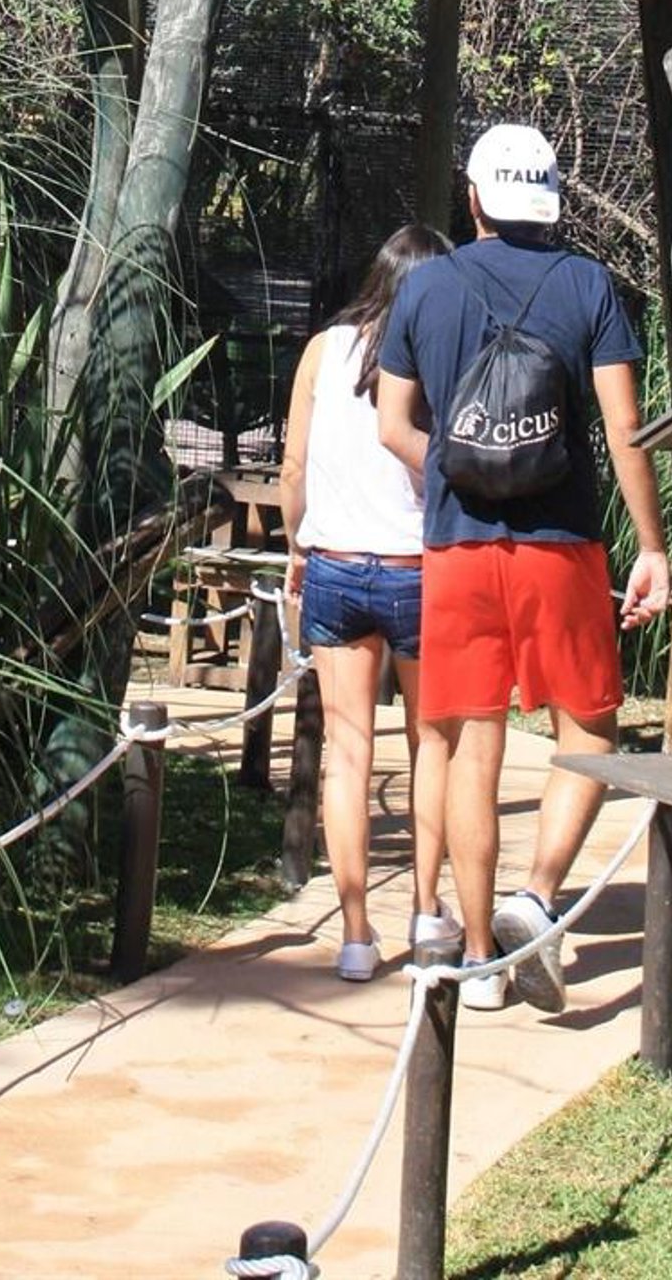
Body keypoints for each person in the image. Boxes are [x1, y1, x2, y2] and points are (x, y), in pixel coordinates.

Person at [377, 123, 670, 1014]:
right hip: (562, 544)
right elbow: (624, 427)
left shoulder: (424, 287)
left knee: (472, 744)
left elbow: (393, 424)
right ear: (550, 202)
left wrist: (458, 468)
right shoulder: (587, 285)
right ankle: (536, 897)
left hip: (456, 549)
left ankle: (479, 961)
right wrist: (652, 545)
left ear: (473, 199)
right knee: (591, 730)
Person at [280, 224, 455, 981]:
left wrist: (297, 545)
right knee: (431, 745)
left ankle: (355, 934)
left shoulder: (324, 350)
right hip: (420, 568)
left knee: (347, 751)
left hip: (336, 565)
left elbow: (293, 468)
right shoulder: (444, 351)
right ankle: (426, 909)